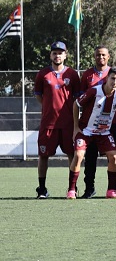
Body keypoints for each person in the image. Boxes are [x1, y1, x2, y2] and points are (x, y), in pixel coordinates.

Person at [68, 67, 116, 199]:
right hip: (86, 131)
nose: (114, 82)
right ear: (106, 78)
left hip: (104, 132)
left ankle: (111, 190)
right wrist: (76, 128)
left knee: (114, 157)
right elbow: (76, 104)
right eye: (112, 78)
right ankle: (71, 189)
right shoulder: (94, 91)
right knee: (79, 155)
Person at [34, 41, 81, 199]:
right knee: (43, 156)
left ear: (65, 55)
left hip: (68, 123)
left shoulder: (72, 74)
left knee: (71, 155)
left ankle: (72, 188)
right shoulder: (43, 74)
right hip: (48, 123)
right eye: (54, 52)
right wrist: (50, 107)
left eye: (60, 53)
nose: (57, 55)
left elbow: (77, 99)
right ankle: (42, 188)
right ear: (51, 55)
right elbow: (39, 96)